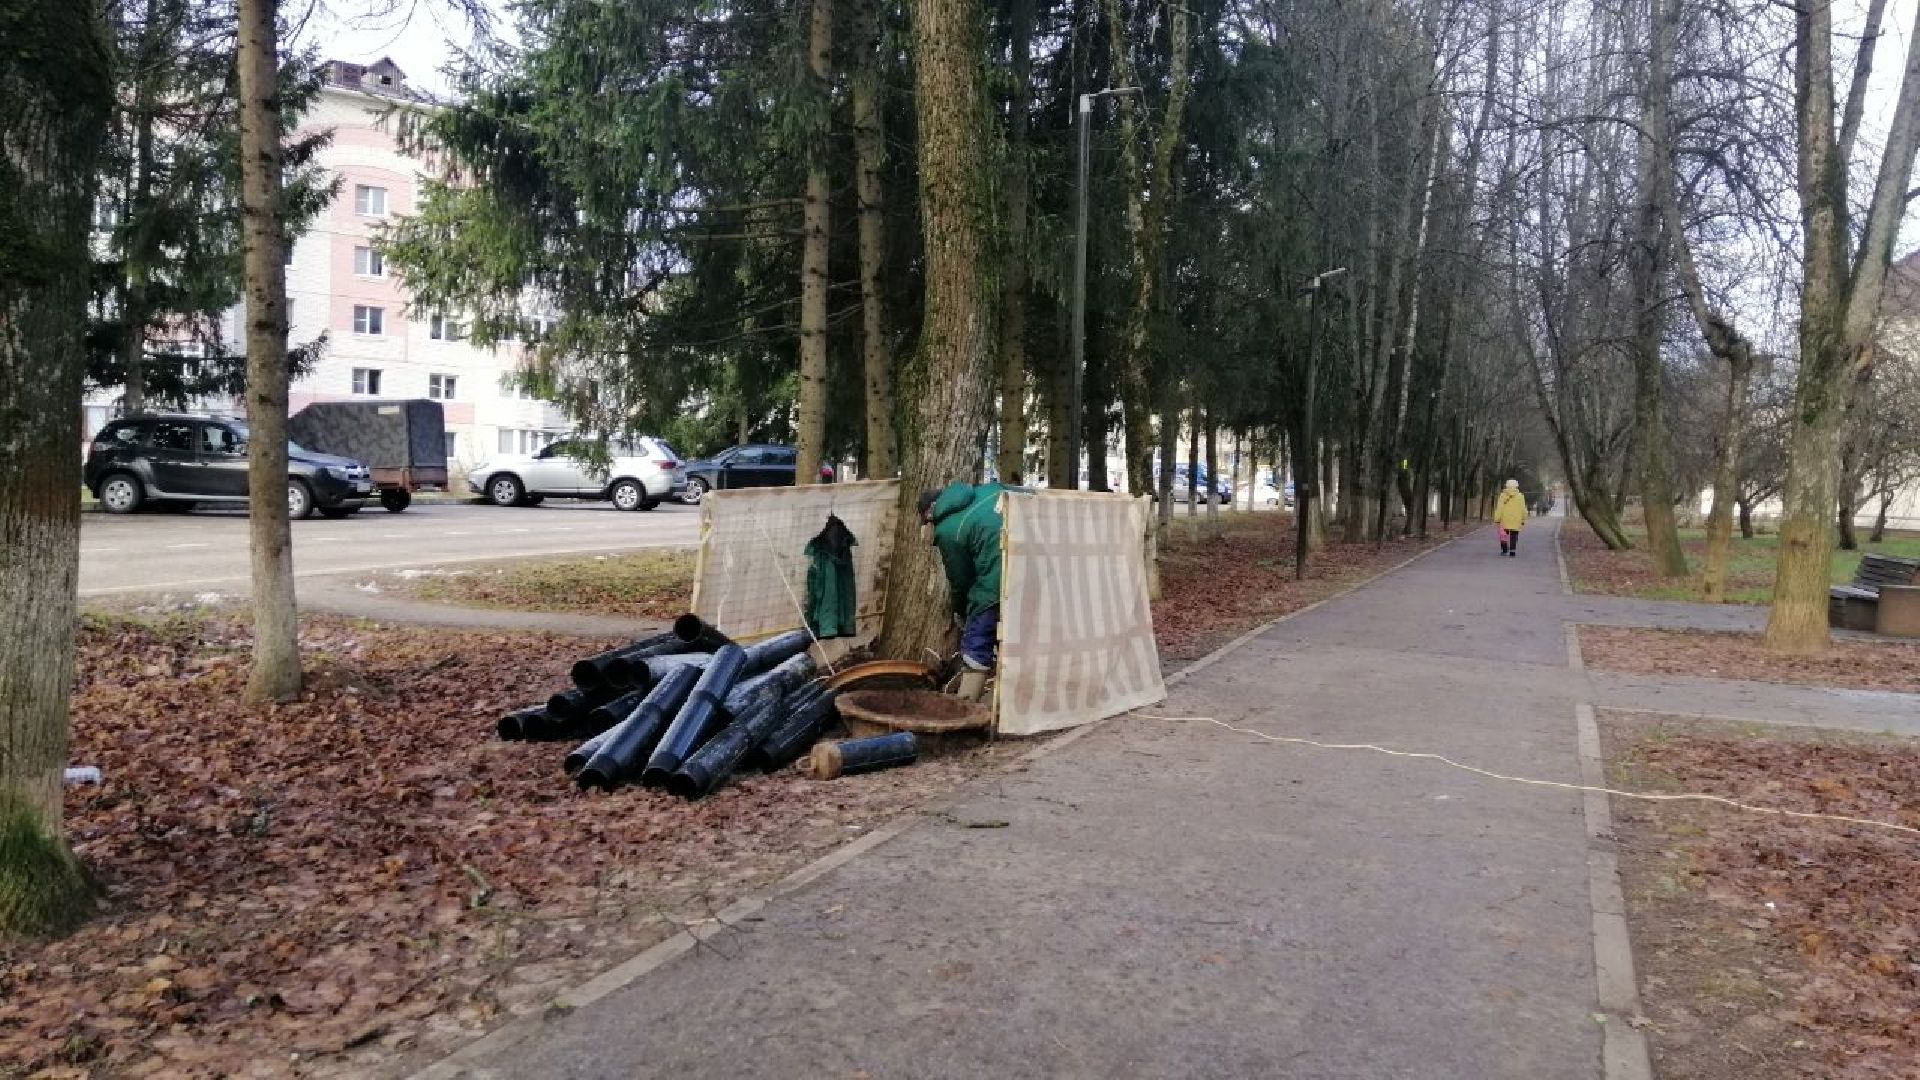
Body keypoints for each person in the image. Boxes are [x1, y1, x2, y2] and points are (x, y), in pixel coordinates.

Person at [918, 481, 1008, 670]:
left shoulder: (946, 530)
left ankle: (966, 697)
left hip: (1001, 573)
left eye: (927, 522)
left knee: (977, 644)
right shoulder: (989, 490)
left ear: (929, 513)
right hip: (1039, 561)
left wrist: (962, 611)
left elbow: (961, 580)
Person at [1493, 478, 1528, 557]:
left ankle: (1504, 550)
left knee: (1503, 534)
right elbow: (1523, 508)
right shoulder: (1520, 496)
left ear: (1506, 486)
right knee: (1514, 535)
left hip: (1504, 519)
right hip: (1516, 519)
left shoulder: (1502, 495)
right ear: (1516, 486)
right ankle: (1512, 551)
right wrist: (1523, 518)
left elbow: (1500, 508)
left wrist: (1497, 519)